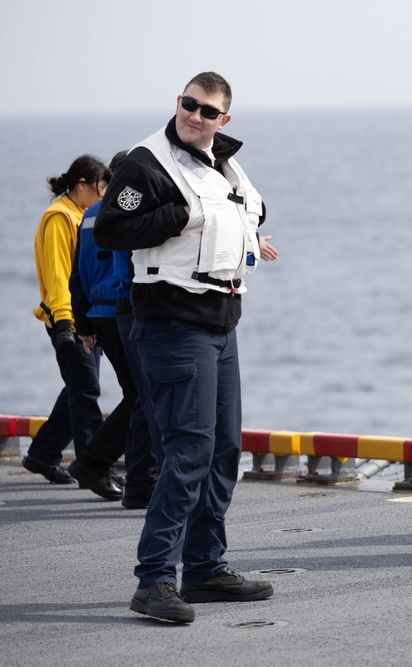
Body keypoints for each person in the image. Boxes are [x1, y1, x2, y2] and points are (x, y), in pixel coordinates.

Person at [95, 71, 274, 623]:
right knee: (189, 451)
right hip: (173, 324)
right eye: (188, 105)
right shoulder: (146, 164)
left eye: (207, 110)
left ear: (224, 119)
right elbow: (109, 230)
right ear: (179, 103)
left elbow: (246, 211)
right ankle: (154, 580)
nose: (195, 116)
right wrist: (181, 215)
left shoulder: (223, 161)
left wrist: (250, 235)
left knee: (223, 450)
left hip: (221, 323)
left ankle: (203, 568)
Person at [23, 155, 109, 484]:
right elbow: (59, 275)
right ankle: (92, 465)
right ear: (82, 186)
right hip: (67, 319)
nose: (104, 195)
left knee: (78, 386)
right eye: (100, 188)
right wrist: (63, 322)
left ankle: (42, 455)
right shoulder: (60, 219)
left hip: (84, 317)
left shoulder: (81, 216)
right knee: (86, 388)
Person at [67, 151, 132, 501]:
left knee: (135, 394)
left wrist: (84, 323)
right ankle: (95, 462)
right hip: (122, 311)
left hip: (98, 315)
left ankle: (109, 467)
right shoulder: (125, 211)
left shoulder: (88, 215)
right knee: (140, 396)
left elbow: (77, 275)